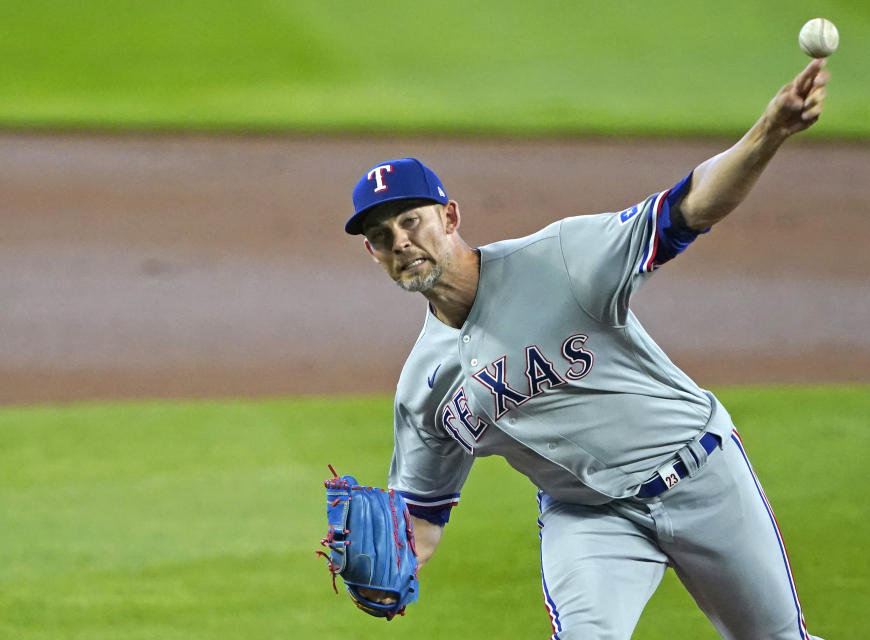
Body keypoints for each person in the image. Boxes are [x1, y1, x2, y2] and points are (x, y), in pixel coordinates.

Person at [344, 59, 830, 639]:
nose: (401, 242)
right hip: (589, 519)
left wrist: (769, 131)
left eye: (411, 220)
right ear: (373, 254)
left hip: (702, 477)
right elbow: (421, 518)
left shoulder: (564, 256)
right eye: (381, 236)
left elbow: (688, 208)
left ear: (449, 217)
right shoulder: (422, 389)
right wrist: (386, 566)